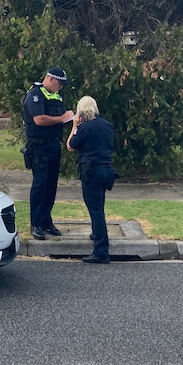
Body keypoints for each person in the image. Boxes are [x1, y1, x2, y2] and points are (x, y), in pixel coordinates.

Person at [22, 67, 75, 240]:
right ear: (51, 79)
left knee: (51, 185)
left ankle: (46, 221)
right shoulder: (35, 94)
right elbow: (39, 119)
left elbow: (61, 118)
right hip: (39, 147)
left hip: (53, 145)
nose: (61, 87)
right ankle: (35, 223)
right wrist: (61, 119)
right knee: (40, 185)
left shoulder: (56, 96)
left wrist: (71, 120)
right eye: (60, 83)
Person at [66, 95, 116, 264]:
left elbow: (71, 146)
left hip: (91, 171)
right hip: (107, 170)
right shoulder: (107, 125)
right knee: (99, 206)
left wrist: (74, 126)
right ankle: (96, 234)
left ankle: (101, 251)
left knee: (96, 211)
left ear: (80, 111)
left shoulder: (84, 128)